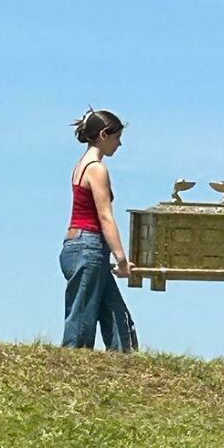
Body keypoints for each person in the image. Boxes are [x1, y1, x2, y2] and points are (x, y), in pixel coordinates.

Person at [60, 108, 138, 351]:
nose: (119, 144)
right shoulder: (96, 168)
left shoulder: (81, 165)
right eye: (117, 137)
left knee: (117, 317)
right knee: (82, 321)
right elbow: (105, 217)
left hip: (79, 245)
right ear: (104, 135)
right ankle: (73, 367)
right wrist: (122, 259)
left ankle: (127, 364)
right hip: (89, 246)